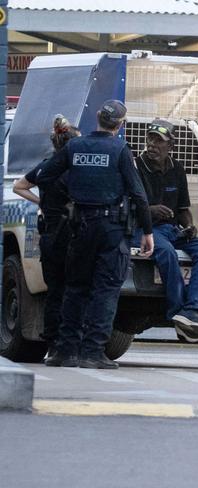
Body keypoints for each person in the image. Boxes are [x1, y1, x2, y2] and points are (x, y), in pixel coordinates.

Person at [37, 100, 154, 369]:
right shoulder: (120, 149)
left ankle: (66, 351)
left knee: (75, 288)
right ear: (121, 124)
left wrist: (60, 202)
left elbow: (44, 176)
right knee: (105, 290)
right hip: (111, 228)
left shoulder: (74, 146)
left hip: (79, 226)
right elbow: (138, 194)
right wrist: (147, 231)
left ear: (98, 118)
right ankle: (92, 352)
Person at [133, 118, 198, 342]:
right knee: (166, 252)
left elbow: (184, 209)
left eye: (158, 141)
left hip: (173, 230)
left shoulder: (177, 169)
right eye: (150, 139)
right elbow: (130, 208)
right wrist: (151, 210)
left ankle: (194, 309)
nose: (152, 144)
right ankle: (177, 310)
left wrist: (189, 226)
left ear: (171, 146)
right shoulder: (137, 166)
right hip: (147, 230)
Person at [12, 115, 80, 357]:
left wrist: (41, 200)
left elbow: (18, 186)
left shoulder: (45, 166)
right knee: (74, 291)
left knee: (54, 292)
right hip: (71, 236)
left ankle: (53, 344)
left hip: (50, 235)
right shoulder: (74, 170)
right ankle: (69, 343)